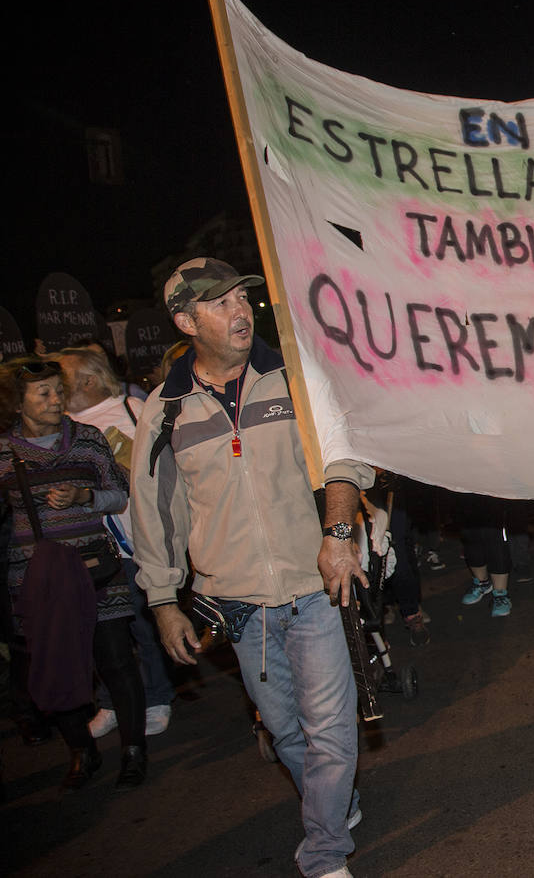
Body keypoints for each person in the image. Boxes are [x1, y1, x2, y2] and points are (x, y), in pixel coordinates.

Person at [130, 257, 373, 878]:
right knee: (288, 732)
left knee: (331, 729)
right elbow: (155, 514)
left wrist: (340, 534)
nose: (241, 312)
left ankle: (323, 852)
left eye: (243, 299)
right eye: (220, 304)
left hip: (313, 586)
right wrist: (161, 600)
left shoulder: (293, 378)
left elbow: (348, 457)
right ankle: (333, 801)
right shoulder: (165, 411)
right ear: (186, 320)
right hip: (237, 603)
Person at [0, 358, 148, 791]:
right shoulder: (5, 452)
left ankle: (133, 750)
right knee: (56, 664)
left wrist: (85, 495)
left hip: (95, 567)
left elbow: (119, 494)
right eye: (42, 393)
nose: (54, 399)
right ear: (17, 401)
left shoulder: (87, 439)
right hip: (35, 576)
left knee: (117, 661)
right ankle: (80, 750)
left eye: (57, 390)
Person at [58, 346, 177, 736]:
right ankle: (111, 702)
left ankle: (158, 697)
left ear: (88, 381)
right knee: (99, 631)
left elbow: (161, 468)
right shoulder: (60, 426)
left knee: (145, 623)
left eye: (62, 376)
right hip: (90, 545)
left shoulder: (130, 409)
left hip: (136, 540)